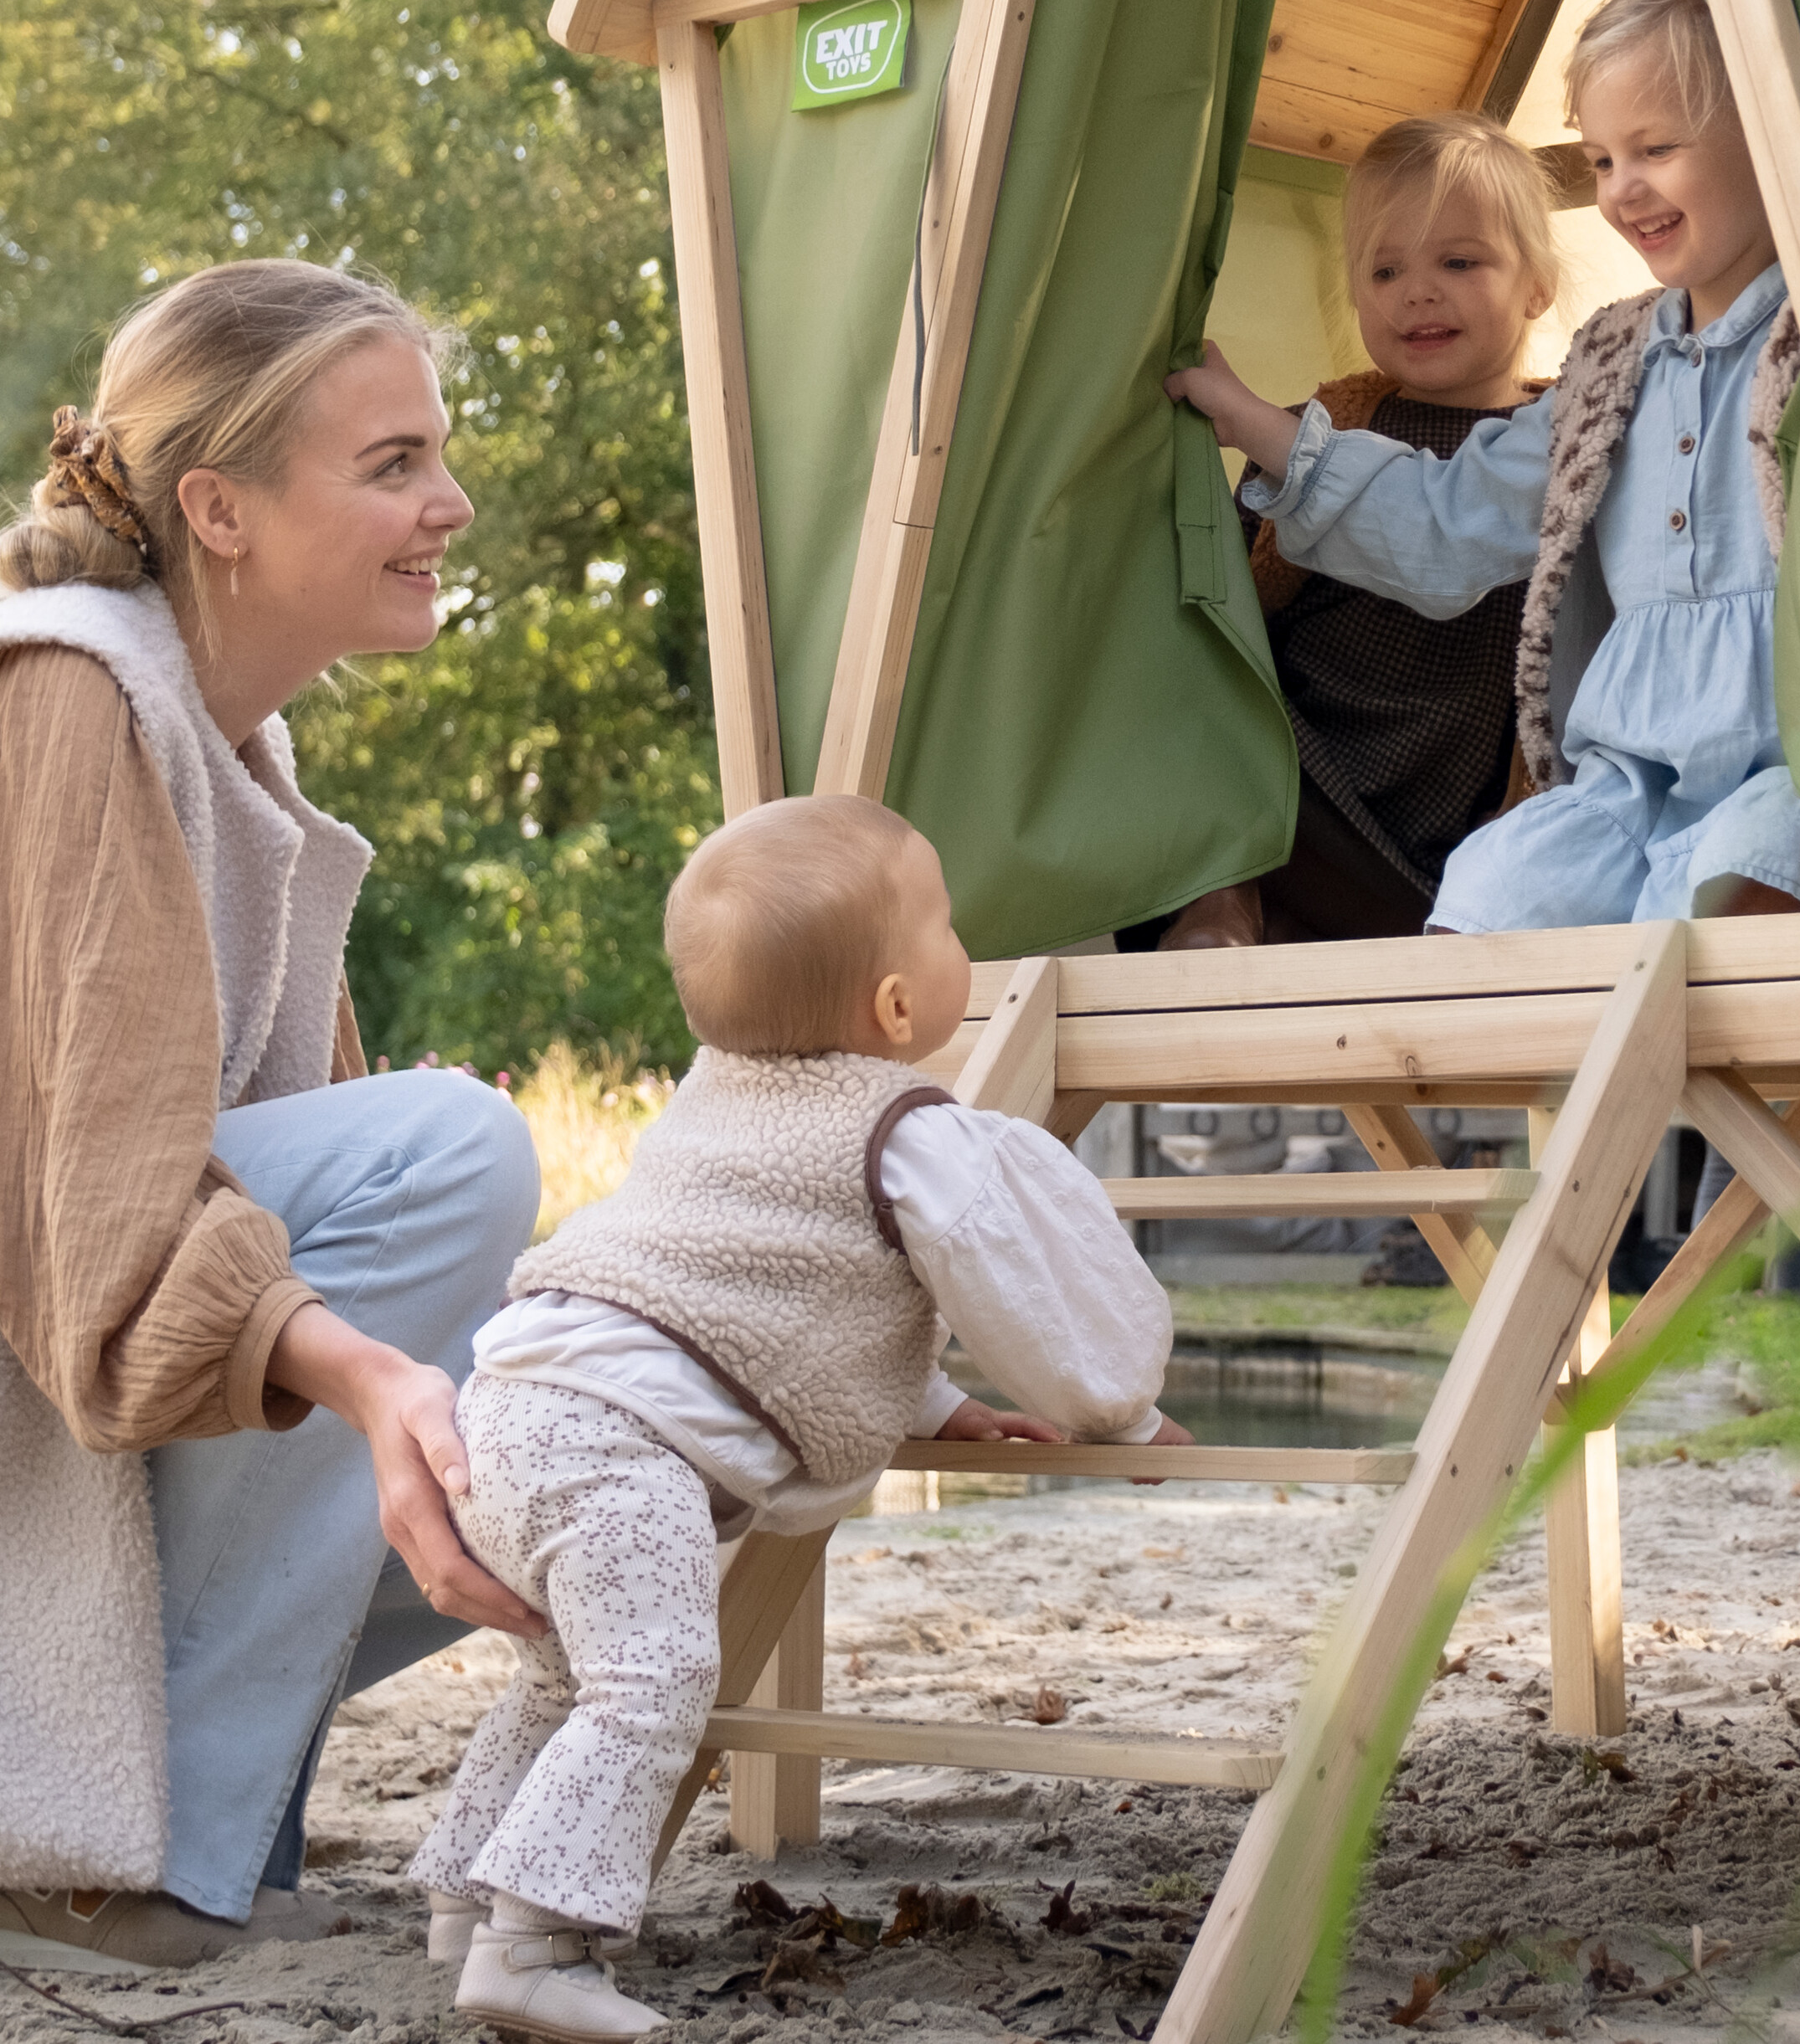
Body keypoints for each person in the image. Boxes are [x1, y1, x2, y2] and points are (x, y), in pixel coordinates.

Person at [413, 794, 1190, 2042]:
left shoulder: (717, 1093)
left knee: (566, 1675)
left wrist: (940, 1403)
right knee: (653, 1678)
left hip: (510, 1398)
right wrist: (1125, 1412)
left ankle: (464, 1896)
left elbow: (785, 1289)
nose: (960, 940)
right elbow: (1003, 1279)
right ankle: (534, 1947)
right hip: (615, 1439)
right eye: (942, 920)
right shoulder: (906, 1127)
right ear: (894, 1006)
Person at [0, 262, 544, 1964]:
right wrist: (363, 1368)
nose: (447, 503)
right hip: (48, 1343)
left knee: (593, 1435)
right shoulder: (69, 696)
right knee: (454, 1149)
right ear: (219, 507)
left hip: (70, 1367)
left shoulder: (234, 747)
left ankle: (163, 1818)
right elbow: (96, 1212)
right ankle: (115, 1850)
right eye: (391, 464)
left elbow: (310, 1200)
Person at [1166, 0, 1800, 932]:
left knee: (1736, 892)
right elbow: (1449, 519)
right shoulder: (1612, 369)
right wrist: (1247, 417)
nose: (1625, 190)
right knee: (1492, 894)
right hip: (1629, 787)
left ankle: (1687, 1075)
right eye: (1603, 160)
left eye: (1656, 147)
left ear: (1771, 134)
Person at [1161, 113, 1558, 950]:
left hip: (1445, 833)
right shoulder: (1324, 427)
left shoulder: (1561, 442)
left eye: (1458, 261)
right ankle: (1222, 894)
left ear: (1537, 284)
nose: (1416, 291)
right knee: (1214, 710)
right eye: (1384, 270)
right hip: (1302, 781)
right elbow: (1232, 612)